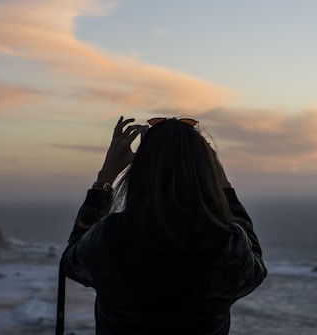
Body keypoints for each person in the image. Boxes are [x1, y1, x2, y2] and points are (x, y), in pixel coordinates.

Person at [62, 116, 267, 335]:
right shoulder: (227, 243)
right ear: (205, 173)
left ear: (141, 171)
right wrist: (223, 184)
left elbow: (72, 263)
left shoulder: (110, 236)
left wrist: (105, 178)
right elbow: (254, 270)